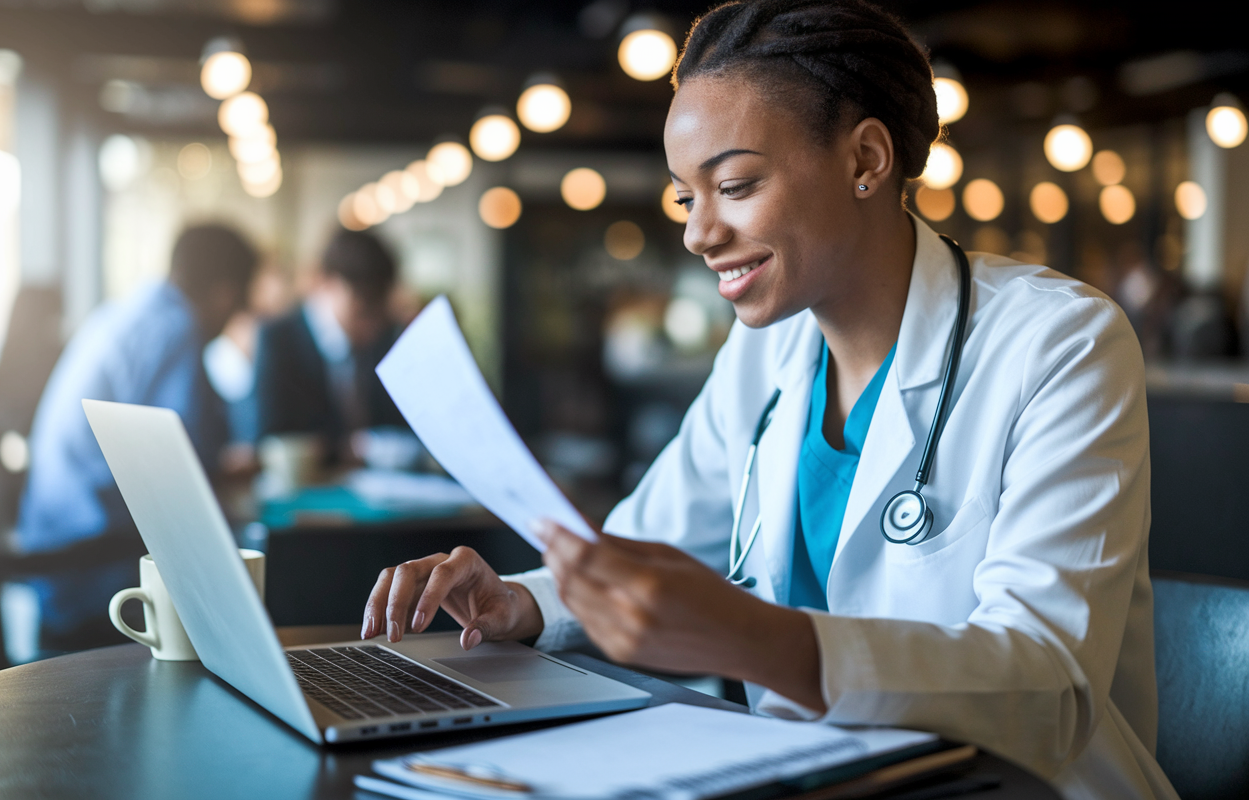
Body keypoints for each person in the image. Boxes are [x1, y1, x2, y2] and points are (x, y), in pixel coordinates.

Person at [361, 2, 1176, 798]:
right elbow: (652, 543)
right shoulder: (768, 350)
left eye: (736, 185)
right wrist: (523, 601)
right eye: (687, 197)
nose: (697, 232)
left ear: (865, 160)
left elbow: (1048, 688)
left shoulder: (1061, 344)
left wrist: (757, 639)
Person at [18, 224, 257, 652]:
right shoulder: (175, 328)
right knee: (247, 592)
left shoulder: (126, 312)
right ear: (225, 293)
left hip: (54, 555)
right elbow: (174, 471)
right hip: (94, 568)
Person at [253, 229, 404, 462]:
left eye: (379, 312)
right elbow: (271, 440)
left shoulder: (383, 338)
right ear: (328, 283)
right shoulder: (278, 340)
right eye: (363, 309)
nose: (372, 325)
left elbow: (396, 424)